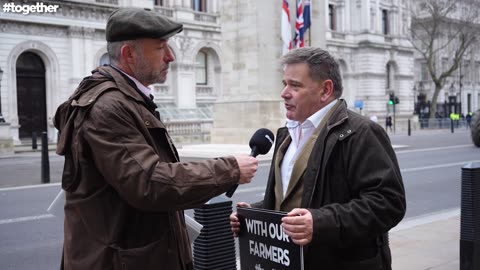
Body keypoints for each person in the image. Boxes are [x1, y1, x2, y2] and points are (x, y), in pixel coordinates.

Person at [54, 8, 258, 270]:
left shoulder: (127, 99)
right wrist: (230, 169)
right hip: (119, 261)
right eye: (161, 48)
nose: (171, 57)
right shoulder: (109, 106)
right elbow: (149, 183)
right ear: (129, 54)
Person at [230, 47, 406, 270]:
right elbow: (296, 200)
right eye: (284, 83)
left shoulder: (361, 132)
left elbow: (389, 204)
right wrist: (255, 214)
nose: (284, 93)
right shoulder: (286, 135)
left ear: (325, 90)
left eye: (295, 85)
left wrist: (319, 223)